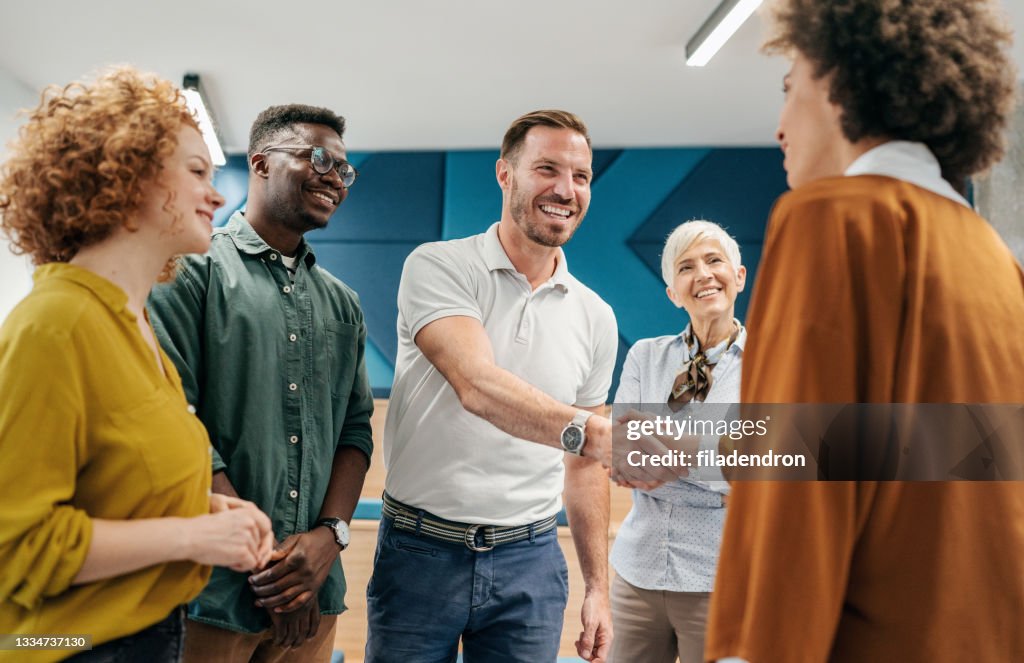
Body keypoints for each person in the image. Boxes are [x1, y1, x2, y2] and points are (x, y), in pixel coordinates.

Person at [704, 1, 1024, 661]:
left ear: (838, 78)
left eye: (789, 87)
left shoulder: (833, 219)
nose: (780, 126)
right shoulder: (998, 262)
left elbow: (795, 487)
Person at [0, 67, 274, 663]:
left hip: (150, 637)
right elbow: (19, 547)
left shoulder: (134, 325)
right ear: (124, 177)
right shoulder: (56, 325)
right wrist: (194, 534)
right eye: (196, 171)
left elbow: (113, 488)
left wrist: (204, 508)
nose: (217, 194)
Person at [365, 110, 618, 663]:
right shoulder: (439, 266)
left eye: (580, 176)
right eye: (547, 169)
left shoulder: (596, 316)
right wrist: (598, 434)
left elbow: (584, 469)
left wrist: (598, 588)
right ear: (505, 174)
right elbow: (477, 385)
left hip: (530, 561)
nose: (566, 189)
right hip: (419, 552)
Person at [147, 104, 374, 662]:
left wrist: (327, 542)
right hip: (211, 591)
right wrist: (271, 565)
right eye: (318, 158)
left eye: (344, 169)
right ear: (261, 163)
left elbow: (355, 431)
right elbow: (173, 422)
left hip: (316, 592)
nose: (334, 178)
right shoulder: (187, 271)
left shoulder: (343, 304)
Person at [608, 221, 745, 663]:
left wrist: (669, 452)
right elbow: (620, 456)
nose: (702, 274)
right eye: (686, 267)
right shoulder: (645, 356)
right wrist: (715, 464)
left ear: (738, 276)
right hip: (638, 575)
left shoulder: (772, 365)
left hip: (721, 580)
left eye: (713, 260)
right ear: (673, 293)